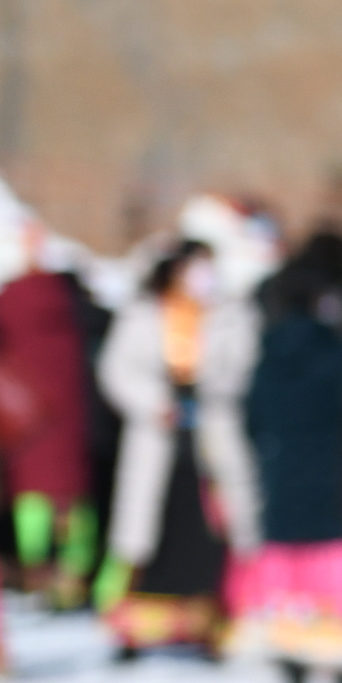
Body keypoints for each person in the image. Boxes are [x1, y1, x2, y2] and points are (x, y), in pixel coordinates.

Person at [243, 229, 342, 683]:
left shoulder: (268, 353)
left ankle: (293, 660)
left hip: (283, 474)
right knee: (340, 570)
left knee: (290, 570)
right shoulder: (341, 353)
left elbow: (253, 416)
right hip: (337, 475)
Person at [98, 237, 258, 659]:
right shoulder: (143, 313)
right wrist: (154, 402)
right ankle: (136, 629)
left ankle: (210, 624)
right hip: (157, 437)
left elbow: (243, 366)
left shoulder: (231, 314)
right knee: (146, 536)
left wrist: (209, 392)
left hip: (210, 434)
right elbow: (117, 370)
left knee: (210, 533)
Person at [0, 202, 98, 605]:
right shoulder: (73, 299)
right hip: (70, 418)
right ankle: (72, 574)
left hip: (24, 418)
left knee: (33, 498)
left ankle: (34, 569)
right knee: (71, 499)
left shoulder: (10, 302)